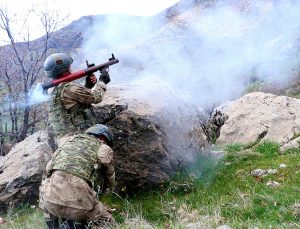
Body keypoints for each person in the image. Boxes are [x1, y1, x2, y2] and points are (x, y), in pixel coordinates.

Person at [39, 124, 116, 229]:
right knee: (108, 222)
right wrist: (107, 192)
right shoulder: (103, 147)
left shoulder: (68, 141)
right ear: (102, 138)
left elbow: (48, 169)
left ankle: (55, 226)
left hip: (50, 201)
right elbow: (109, 177)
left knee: (46, 194)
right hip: (80, 203)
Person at [44, 53, 111, 147]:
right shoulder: (69, 88)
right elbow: (96, 97)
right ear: (65, 69)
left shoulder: (51, 90)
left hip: (64, 140)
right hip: (80, 138)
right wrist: (103, 81)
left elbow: (73, 100)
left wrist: (88, 86)